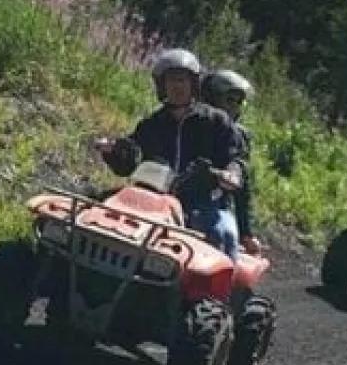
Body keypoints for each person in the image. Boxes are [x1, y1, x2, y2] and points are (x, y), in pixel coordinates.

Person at [94, 48, 247, 259]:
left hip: (200, 202)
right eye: (171, 80)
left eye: (182, 80)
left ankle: (218, 292)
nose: (177, 86)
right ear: (161, 86)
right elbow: (129, 162)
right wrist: (113, 150)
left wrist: (231, 173)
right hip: (152, 200)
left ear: (193, 84)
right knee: (98, 206)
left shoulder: (217, 121)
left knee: (224, 232)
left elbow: (235, 157)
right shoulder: (151, 124)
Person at [201, 67, 262, 256]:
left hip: (214, 199)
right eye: (229, 100)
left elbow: (241, 182)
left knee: (224, 234)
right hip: (172, 191)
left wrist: (246, 231)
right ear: (212, 97)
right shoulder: (190, 119)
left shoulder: (239, 135)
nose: (234, 107)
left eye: (238, 102)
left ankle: (221, 284)